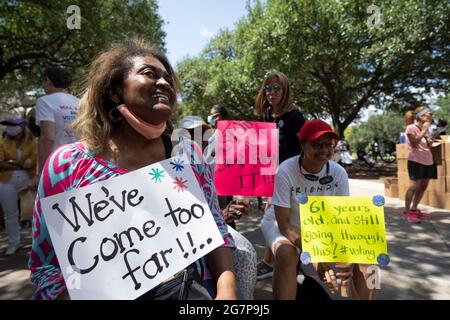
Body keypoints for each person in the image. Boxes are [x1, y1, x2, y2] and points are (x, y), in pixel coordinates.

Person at [28, 38, 237, 300]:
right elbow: (46, 267)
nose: (163, 82)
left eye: (168, 78)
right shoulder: (67, 165)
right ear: (115, 91)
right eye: (149, 74)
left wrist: (227, 293)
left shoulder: (187, 156)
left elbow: (216, 230)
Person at [261, 119, 376, 300]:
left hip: (321, 228)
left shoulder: (338, 173)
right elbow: (284, 225)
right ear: (303, 145)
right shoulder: (285, 170)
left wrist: (348, 253)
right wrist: (315, 255)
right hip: (285, 224)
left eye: (328, 144)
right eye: (316, 144)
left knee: (369, 252)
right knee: (287, 254)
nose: (323, 150)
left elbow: (342, 217)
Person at [176, 115, 257, 300]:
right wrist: (223, 215)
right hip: (188, 238)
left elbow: (227, 205)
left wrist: (240, 202)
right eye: (191, 134)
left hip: (216, 232)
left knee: (247, 254)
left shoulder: (216, 164)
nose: (199, 138)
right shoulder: (174, 166)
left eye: (204, 132)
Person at [254, 71, 306, 280]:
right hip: (272, 177)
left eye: (277, 88)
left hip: (292, 178)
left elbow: (306, 146)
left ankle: (286, 262)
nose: (272, 92)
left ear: (285, 91)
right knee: (274, 218)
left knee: (285, 219)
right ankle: (270, 261)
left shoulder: (294, 116)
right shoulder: (267, 116)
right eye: (268, 88)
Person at [0, 118, 37, 255]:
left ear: (22, 127)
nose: (10, 128)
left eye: (13, 125)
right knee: (10, 214)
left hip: (29, 179)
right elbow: (0, 163)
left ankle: (37, 244)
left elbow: (33, 162)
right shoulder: (2, 142)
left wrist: (11, 162)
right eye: (8, 126)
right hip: (5, 180)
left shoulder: (33, 143)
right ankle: (14, 242)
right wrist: (20, 164)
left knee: (33, 212)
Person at [35, 66, 80, 175]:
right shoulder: (79, 102)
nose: (43, 85)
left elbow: (48, 139)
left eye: (44, 81)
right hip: (80, 162)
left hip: (57, 165)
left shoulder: (44, 101)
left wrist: (42, 173)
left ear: (48, 80)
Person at [403, 106, 437, 223]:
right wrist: (423, 130)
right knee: (413, 186)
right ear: (421, 116)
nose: (431, 115)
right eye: (429, 114)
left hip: (428, 160)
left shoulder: (426, 129)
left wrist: (430, 139)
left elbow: (428, 145)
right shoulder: (411, 128)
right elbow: (414, 143)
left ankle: (414, 208)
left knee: (423, 186)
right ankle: (407, 211)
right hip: (415, 160)